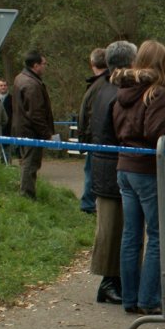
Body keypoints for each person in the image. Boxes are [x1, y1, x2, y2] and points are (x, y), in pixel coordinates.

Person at [112, 40, 165, 315]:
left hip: (124, 167)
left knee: (131, 235)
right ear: (160, 64)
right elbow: (156, 131)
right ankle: (150, 300)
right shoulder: (156, 92)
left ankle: (130, 298)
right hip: (145, 169)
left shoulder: (122, 90)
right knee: (156, 234)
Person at [89, 41, 137, 306]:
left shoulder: (101, 88)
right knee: (114, 227)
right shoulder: (118, 91)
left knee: (115, 225)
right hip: (113, 165)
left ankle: (114, 281)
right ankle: (109, 282)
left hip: (104, 165)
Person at [11, 50, 54, 199]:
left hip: (21, 129)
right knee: (30, 164)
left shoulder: (20, 78)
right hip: (30, 131)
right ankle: (27, 195)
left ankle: (26, 193)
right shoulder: (32, 84)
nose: (45, 67)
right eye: (44, 64)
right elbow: (36, 113)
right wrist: (46, 134)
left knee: (26, 163)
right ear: (36, 65)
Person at [77, 48, 109, 214]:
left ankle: (88, 204)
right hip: (96, 137)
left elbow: (92, 115)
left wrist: (86, 137)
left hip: (95, 138)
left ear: (92, 64)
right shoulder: (103, 83)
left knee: (92, 172)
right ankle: (88, 203)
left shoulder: (100, 85)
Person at [0, 79, 13, 163]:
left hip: (8, 129)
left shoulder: (12, 99)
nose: (3, 87)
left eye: (4, 85)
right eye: (1, 85)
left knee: (7, 152)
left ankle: (7, 169)